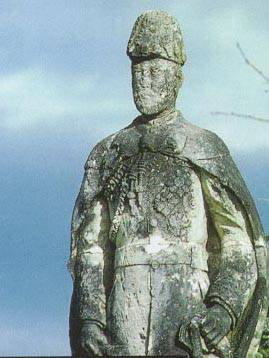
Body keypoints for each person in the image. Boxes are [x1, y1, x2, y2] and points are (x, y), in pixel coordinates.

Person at [68, 11, 268, 357]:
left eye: (155, 65)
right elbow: (92, 249)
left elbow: (238, 244)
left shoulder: (203, 148)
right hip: (123, 323)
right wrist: (90, 320)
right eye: (138, 67)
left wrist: (222, 309)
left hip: (187, 318)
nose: (145, 77)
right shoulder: (108, 155)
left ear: (177, 75)